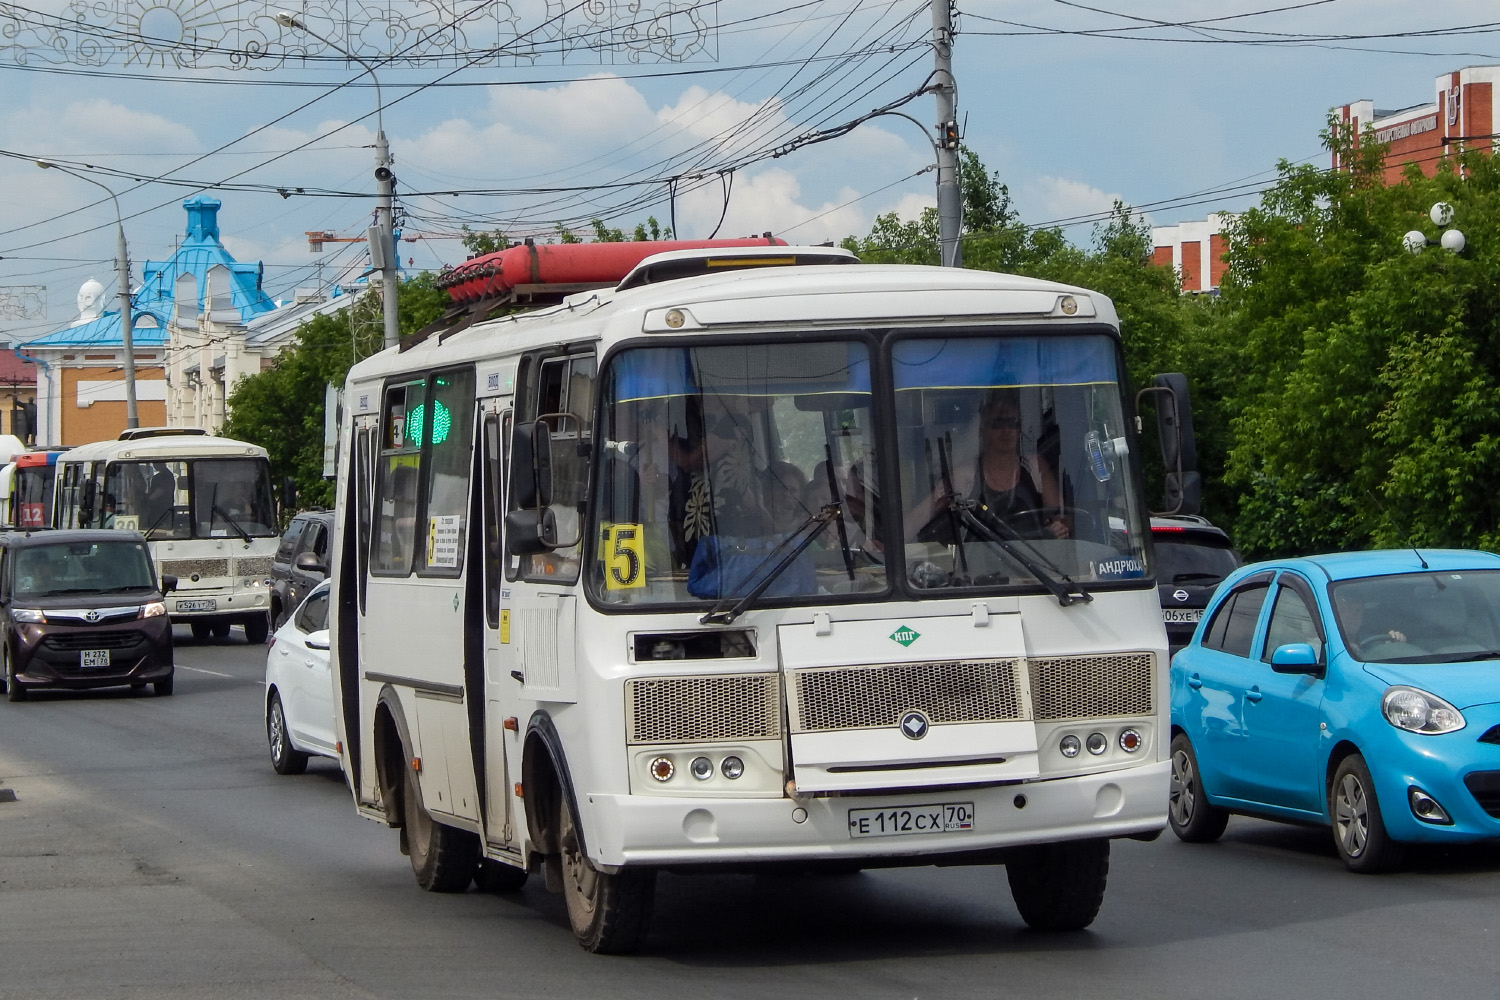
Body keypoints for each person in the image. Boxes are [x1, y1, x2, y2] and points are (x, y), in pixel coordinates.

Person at [907, 388, 1068, 542]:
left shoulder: (1035, 468)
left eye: (1012, 423)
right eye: (997, 424)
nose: (1006, 431)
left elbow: (1062, 519)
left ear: (1020, 428)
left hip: (1036, 568)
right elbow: (916, 520)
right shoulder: (964, 477)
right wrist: (889, 545)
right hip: (979, 569)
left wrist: (1057, 528)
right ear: (983, 429)